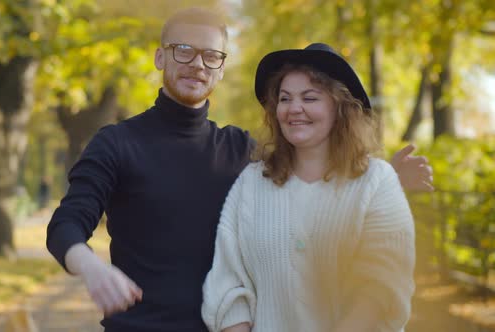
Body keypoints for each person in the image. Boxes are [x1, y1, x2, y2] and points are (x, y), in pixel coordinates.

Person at [46, 8, 429, 332]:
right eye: (184, 51)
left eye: (211, 55)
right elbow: (66, 223)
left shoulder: (242, 151)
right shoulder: (116, 143)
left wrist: (383, 183)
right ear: (160, 58)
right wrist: (91, 269)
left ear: (221, 68)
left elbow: (315, 192)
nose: (197, 64)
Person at [201, 43, 416, 332]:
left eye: (310, 98)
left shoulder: (377, 181)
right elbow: (228, 285)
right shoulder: (250, 184)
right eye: (285, 98)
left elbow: (382, 286)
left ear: (339, 108)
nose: (294, 109)